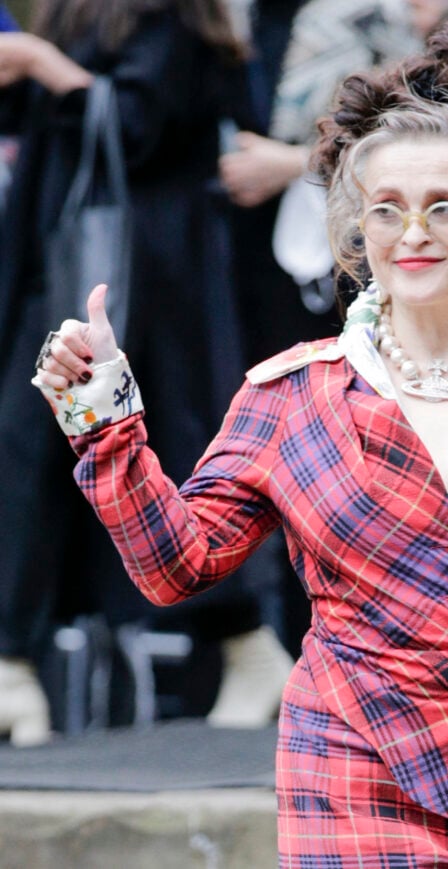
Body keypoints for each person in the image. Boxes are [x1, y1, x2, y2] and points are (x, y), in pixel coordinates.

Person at [32, 22, 448, 867]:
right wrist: (106, 424)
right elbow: (177, 564)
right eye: (388, 209)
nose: (413, 232)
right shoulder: (293, 394)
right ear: (359, 226)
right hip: (352, 783)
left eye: (444, 207)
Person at [0, 0, 293, 745]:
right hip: (75, 251)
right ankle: (13, 669)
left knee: (160, 457)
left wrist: (36, 62)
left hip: (147, 275)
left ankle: (247, 642)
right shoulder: (79, 11)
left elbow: (134, 124)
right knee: (34, 454)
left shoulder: (170, 14)